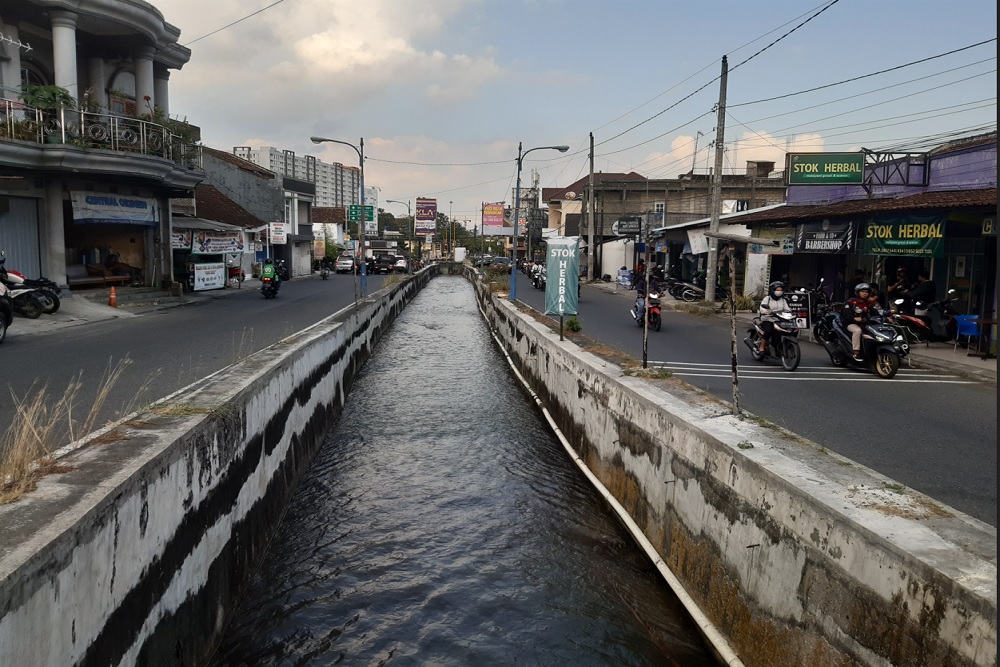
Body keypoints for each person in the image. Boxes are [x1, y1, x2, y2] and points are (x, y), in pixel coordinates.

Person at [841, 283, 872, 361]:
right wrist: (854, 318)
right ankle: (856, 352)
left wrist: (886, 316)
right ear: (858, 292)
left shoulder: (868, 303)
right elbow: (846, 315)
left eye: (867, 292)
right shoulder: (851, 302)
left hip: (864, 323)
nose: (865, 294)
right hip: (850, 323)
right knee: (857, 331)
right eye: (863, 291)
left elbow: (875, 312)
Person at [757, 281, 790, 354]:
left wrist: (790, 313)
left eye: (781, 290)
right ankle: (762, 347)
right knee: (768, 331)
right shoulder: (767, 299)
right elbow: (762, 308)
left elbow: (787, 309)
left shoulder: (783, 300)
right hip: (768, 318)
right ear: (772, 290)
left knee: (782, 331)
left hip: (779, 319)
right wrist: (767, 312)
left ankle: (777, 346)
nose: (779, 292)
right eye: (777, 290)